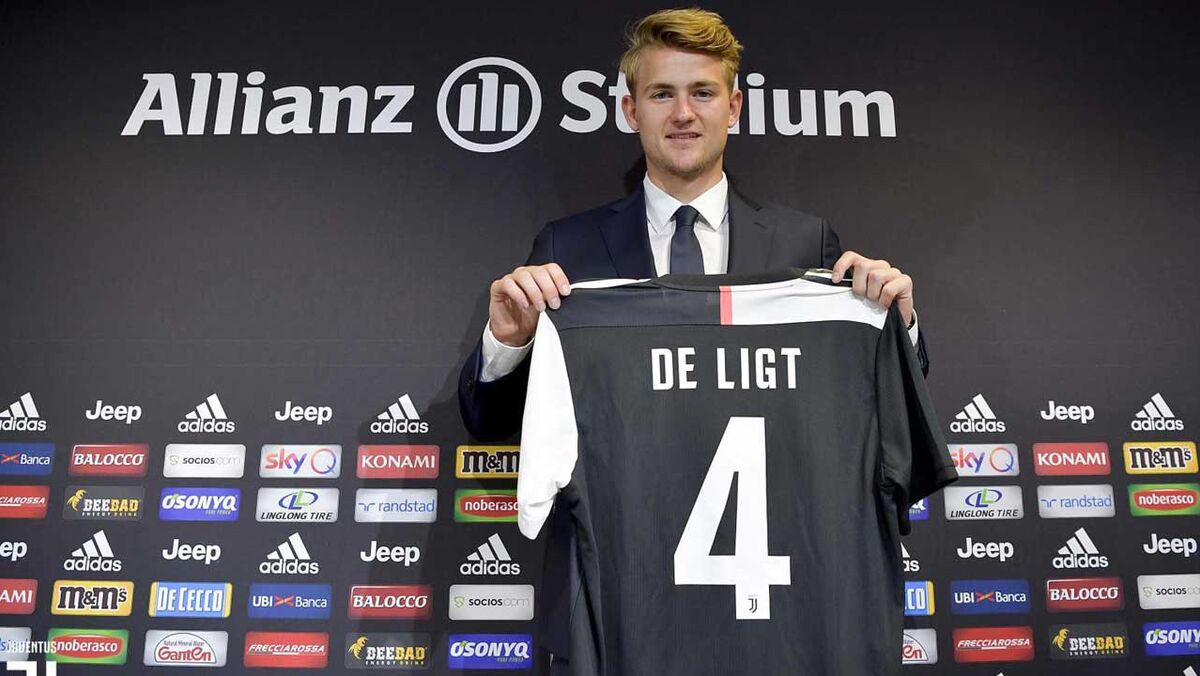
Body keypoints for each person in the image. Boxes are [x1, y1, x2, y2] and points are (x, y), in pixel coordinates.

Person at [459, 8, 926, 443]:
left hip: (770, 502)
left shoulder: (804, 243)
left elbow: (881, 405)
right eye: (662, 94)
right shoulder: (567, 248)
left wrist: (895, 325)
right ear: (631, 111)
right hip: (620, 506)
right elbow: (492, 425)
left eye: (702, 93)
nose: (683, 113)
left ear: (734, 107)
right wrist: (509, 342)